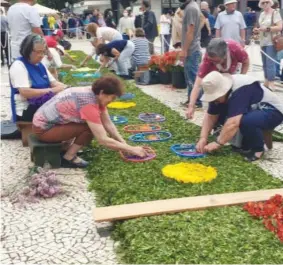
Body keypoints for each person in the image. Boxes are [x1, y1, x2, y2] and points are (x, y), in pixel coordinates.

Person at [32, 75, 148, 168]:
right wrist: (132, 149)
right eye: (111, 98)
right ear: (102, 92)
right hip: (44, 129)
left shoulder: (94, 94)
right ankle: (68, 157)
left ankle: (67, 148)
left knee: (91, 125)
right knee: (88, 128)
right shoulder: (88, 103)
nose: (111, 101)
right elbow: (102, 139)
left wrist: (125, 145)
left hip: (47, 123)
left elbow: (108, 123)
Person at [196, 71, 283, 162]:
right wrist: (203, 138)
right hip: (253, 109)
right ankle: (244, 142)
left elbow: (233, 123)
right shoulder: (216, 91)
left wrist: (218, 143)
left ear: (223, 91)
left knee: (247, 121)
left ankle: (258, 149)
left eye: (215, 98)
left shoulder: (241, 89)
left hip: (272, 111)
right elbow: (211, 116)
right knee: (221, 112)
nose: (214, 100)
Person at [187, 38, 250, 119]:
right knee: (214, 100)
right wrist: (191, 106)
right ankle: (215, 122)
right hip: (217, 77)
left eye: (216, 61)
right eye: (211, 61)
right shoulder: (208, 59)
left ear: (224, 56)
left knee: (231, 102)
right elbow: (197, 84)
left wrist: (241, 77)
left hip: (233, 74)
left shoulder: (235, 48)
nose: (213, 63)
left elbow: (246, 62)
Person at [9, 34, 66, 122]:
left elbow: (54, 83)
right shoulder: (19, 65)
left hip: (42, 104)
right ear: (27, 50)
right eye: (38, 52)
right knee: (65, 112)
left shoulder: (40, 64)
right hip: (26, 109)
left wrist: (66, 88)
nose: (41, 55)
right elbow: (25, 92)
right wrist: (53, 90)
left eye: (43, 52)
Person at [253, 0, 282, 91]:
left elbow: (280, 27)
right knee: (264, 63)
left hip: (271, 41)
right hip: (263, 41)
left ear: (270, 3)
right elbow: (260, 27)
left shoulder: (275, 13)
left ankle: (271, 82)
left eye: (267, 2)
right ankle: (266, 81)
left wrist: (267, 29)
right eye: (263, 3)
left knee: (270, 63)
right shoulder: (261, 14)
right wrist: (257, 30)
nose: (265, 4)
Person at [180, 0, 202, 107]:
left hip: (192, 49)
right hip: (191, 48)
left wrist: (184, 50)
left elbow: (190, 31)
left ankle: (196, 102)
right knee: (189, 76)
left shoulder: (191, 8)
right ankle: (191, 100)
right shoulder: (190, 7)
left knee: (193, 76)